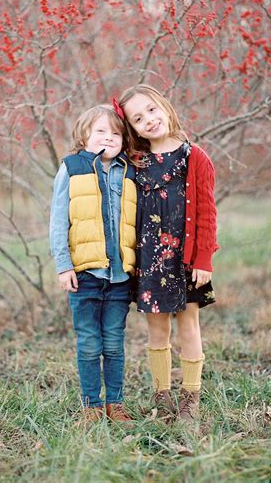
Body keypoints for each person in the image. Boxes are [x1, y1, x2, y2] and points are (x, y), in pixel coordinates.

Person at [116, 85, 218, 425]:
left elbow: (207, 212)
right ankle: (162, 396)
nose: (149, 120)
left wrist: (204, 259)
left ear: (165, 107)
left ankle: (191, 399)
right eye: (138, 118)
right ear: (131, 127)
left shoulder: (194, 157)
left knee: (188, 326)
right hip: (149, 261)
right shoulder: (134, 162)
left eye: (151, 110)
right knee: (157, 330)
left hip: (185, 260)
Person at [49, 105, 137, 424]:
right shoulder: (71, 168)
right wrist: (63, 265)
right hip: (84, 274)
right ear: (84, 136)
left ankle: (115, 403)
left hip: (118, 277)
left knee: (113, 342)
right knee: (89, 343)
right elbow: (59, 220)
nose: (109, 138)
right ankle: (91, 406)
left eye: (116, 133)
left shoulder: (128, 172)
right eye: (101, 131)